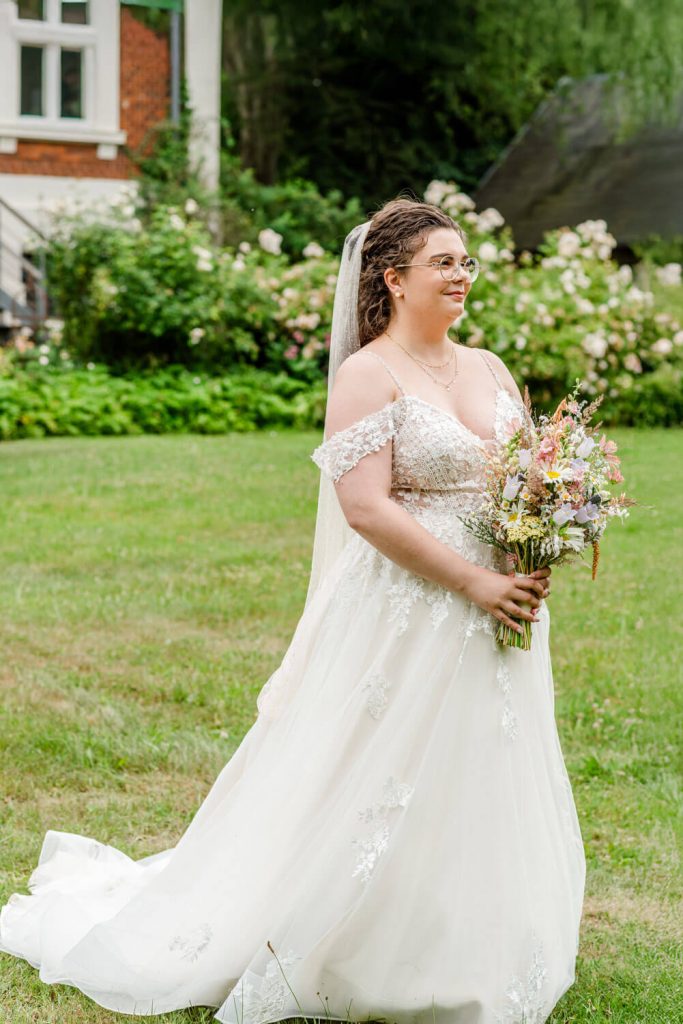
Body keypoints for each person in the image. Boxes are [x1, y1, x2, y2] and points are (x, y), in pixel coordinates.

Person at [0, 197, 585, 1024]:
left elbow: (523, 473)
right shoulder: (368, 375)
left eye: (466, 263)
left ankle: (467, 931)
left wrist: (548, 517)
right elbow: (366, 509)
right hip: (410, 605)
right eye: (444, 264)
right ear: (393, 278)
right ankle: (342, 937)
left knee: (483, 757)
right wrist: (472, 581)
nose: (462, 277)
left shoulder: (488, 369)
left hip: (501, 599)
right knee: (378, 765)